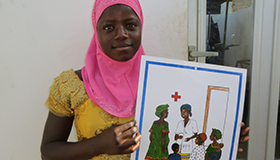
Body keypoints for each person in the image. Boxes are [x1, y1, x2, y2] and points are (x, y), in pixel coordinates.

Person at [40, 0, 144, 159]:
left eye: (130, 25)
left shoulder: (160, 82)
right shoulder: (72, 86)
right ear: (96, 32)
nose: (121, 34)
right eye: (108, 27)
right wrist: (97, 145)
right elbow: (48, 153)